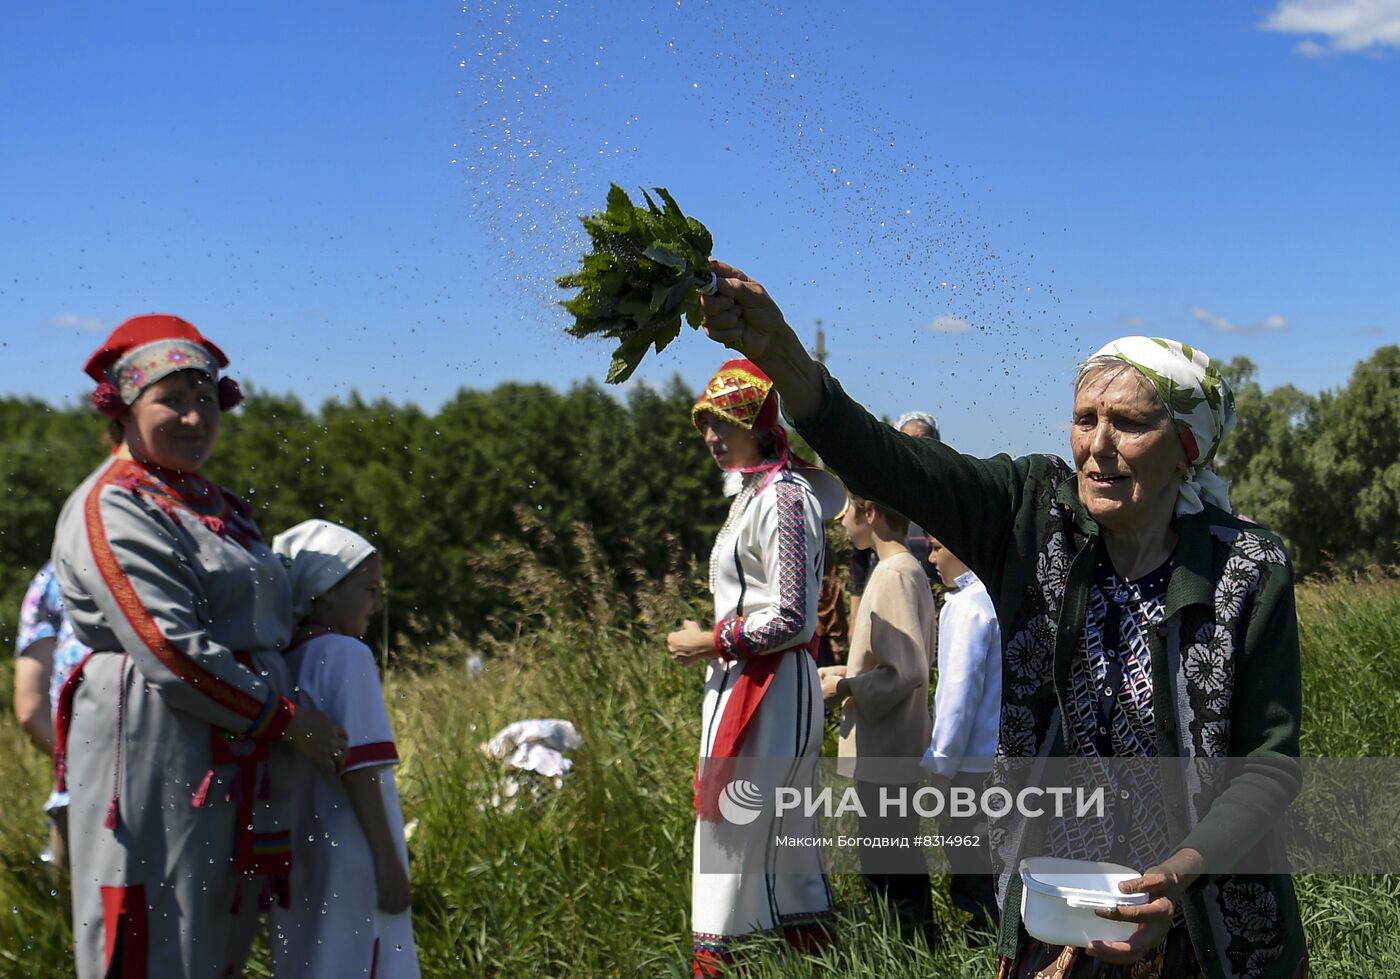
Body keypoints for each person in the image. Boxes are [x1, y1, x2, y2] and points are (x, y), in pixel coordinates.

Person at [699, 264, 1307, 979]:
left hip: (1212, 925)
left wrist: (1176, 877)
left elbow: (1267, 762)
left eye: (1132, 423)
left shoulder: (1246, 568)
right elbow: (895, 462)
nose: (1098, 445)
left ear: (1188, 448)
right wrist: (783, 356)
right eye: (1087, 419)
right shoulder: (1033, 516)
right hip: (1063, 915)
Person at [50, 314, 347, 979]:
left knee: (216, 934)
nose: (192, 417)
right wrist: (289, 720)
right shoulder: (117, 504)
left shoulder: (211, 502)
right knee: (157, 935)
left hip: (233, 751)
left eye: (205, 399)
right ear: (124, 407)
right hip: (159, 743)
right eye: (171, 399)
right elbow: (167, 646)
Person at [666, 358, 845, 977]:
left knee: (743, 836)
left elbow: (794, 617)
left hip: (769, 690)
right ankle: (781, 962)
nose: (713, 437)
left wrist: (709, 640)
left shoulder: (785, 499)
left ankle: (739, 963)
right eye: (706, 424)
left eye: (726, 422)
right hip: (749, 683)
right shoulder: (757, 494)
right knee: (756, 839)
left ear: (761, 424)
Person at [269, 519, 420, 979]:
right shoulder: (347, 654)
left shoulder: (282, 660)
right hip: (353, 850)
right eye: (369, 589)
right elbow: (361, 768)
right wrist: (389, 859)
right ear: (326, 590)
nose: (376, 604)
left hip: (301, 850)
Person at [820, 493, 935, 931]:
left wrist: (845, 686)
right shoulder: (902, 570)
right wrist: (840, 673)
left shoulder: (894, 574)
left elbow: (907, 670)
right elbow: (887, 660)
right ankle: (913, 945)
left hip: (886, 746)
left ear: (869, 513)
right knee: (889, 855)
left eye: (847, 511)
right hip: (887, 744)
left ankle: (913, 948)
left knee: (891, 862)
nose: (844, 522)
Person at [921, 537, 1002, 936]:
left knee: (974, 877)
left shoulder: (968, 606)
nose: (931, 557)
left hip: (969, 767)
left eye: (937, 546)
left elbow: (957, 693)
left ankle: (986, 952)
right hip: (1003, 759)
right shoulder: (999, 595)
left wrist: (941, 765)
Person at [14, 562, 91, 869]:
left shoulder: (56, 576)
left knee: (84, 915)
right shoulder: (189, 555)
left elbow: (30, 709)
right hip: (191, 789)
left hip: (78, 798)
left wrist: (85, 769)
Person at [847, 411, 941, 624]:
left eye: (924, 440)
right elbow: (858, 561)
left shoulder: (944, 495)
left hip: (933, 604)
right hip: (884, 598)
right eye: (908, 440)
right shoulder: (882, 491)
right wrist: (855, 614)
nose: (916, 447)